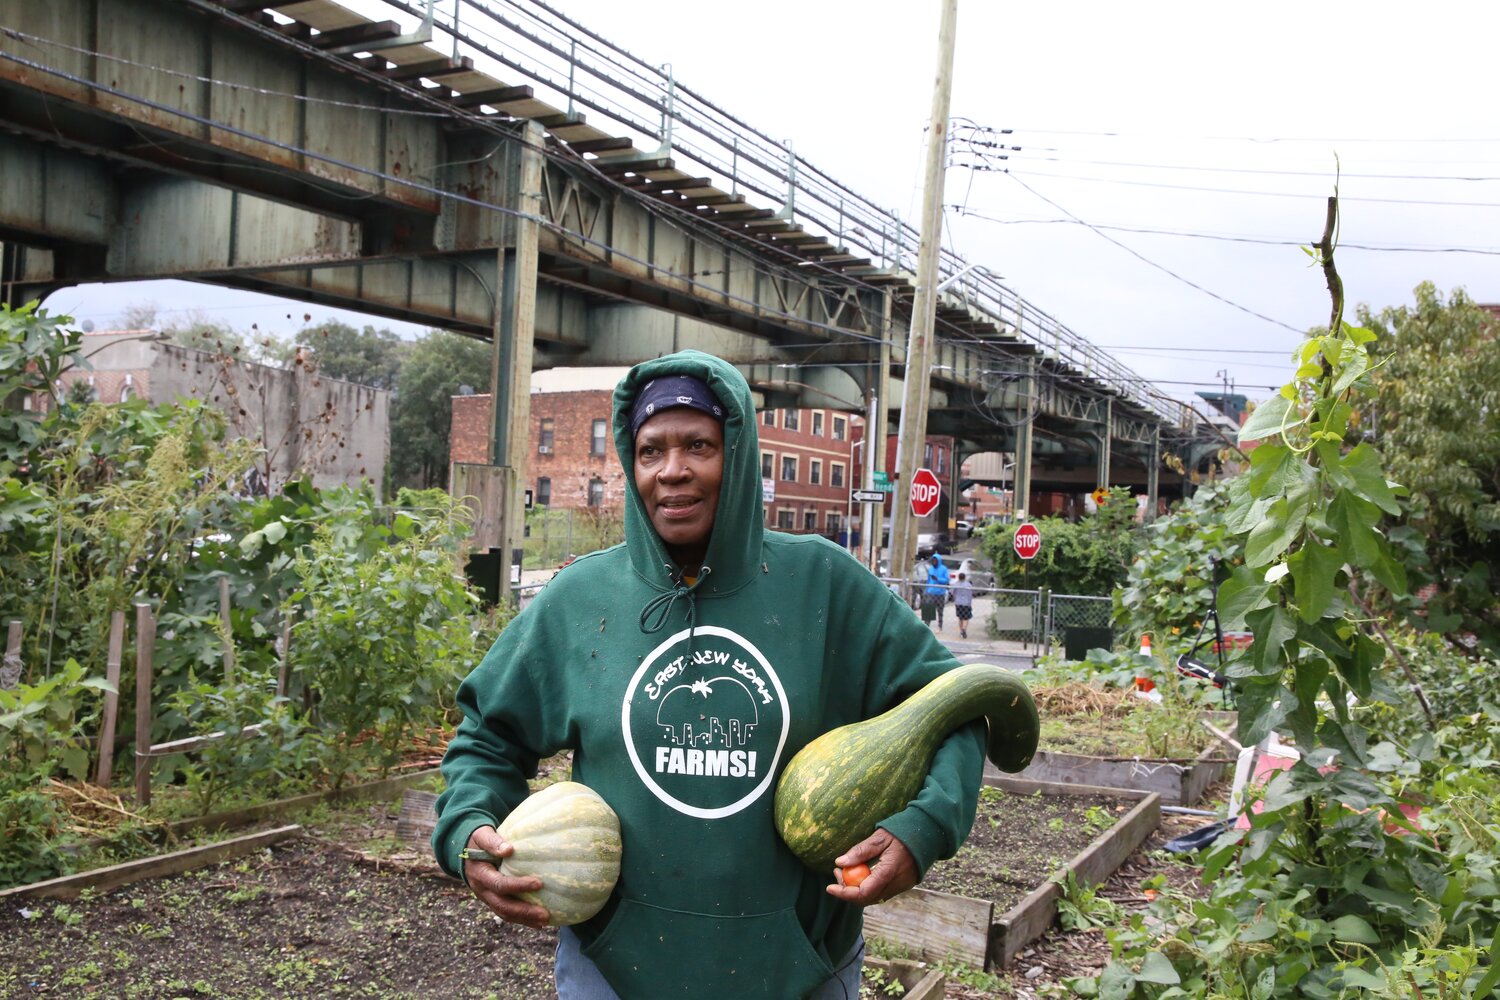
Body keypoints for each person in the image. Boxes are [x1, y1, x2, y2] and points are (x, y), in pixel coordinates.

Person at [432, 350, 984, 1000]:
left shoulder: (826, 589)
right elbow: (487, 739)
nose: (672, 472)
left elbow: (960, 707)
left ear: (739, 452)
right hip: (612, 974)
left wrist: (923, 827)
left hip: (798, 971)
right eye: (649, 451)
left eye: (699, 444)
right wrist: (468, 830)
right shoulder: (581, 599)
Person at [923, 553, 950, 631]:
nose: (934, 562)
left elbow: (947, 580)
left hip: (940, 593)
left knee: (940, 610)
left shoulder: (944, 569)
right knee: (928, 608)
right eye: (933, 561)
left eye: (935, 561)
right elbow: (928, 580)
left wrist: (938, 579)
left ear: (938, 561)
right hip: (930, 592)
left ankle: (940, 625)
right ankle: (926, 625)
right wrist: (926, 590)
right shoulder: (931, 569)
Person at [952, 571, 974, 639]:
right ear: (965, 578)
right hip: (966, 603)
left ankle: (961, 631)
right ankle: (964, 629)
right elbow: (971, 594)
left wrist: (954, 598)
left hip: (958, 603)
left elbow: (952, 592)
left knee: (960, 618)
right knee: (966, 618)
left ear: (959, 577)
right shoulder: (968, 585)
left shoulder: (956, 584)